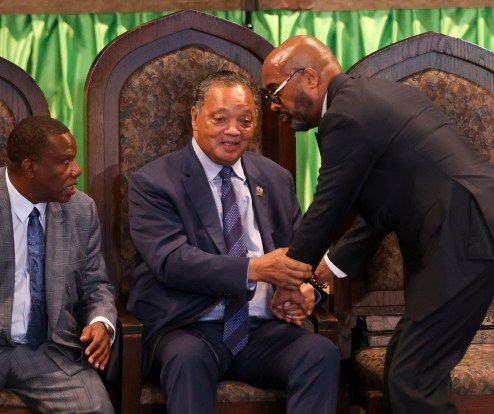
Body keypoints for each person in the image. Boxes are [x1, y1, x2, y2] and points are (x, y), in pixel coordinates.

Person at [262, 35, 494, 414]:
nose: (273, 106)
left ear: (309, 77)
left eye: (273, 92)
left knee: (413, 377)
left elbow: (328, 207)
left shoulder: (344, 116)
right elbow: (382, 206)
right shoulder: (374, 98)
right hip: (473, 229)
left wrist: (289, 278)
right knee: (405, 367)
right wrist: (327, 268)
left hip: (466, 232)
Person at [126, 70, 340, 414]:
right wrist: (254, 269)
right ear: (195, 118)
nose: (233, 131)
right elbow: (170, 261)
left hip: (263, 329)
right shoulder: (154, 182)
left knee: (319, 353)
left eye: (245, 121)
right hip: (189, 327)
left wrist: (305, 291)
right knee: (186, 362)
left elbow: (302, 255)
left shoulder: (275, 178)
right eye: (220, 118)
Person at [0, 116, 117, 413]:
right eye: (65, 162)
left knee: (95, 408)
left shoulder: (81, 209)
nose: (76, 171)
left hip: (47, 353)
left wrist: (100, 322)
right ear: (30, 167)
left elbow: (95, 284)